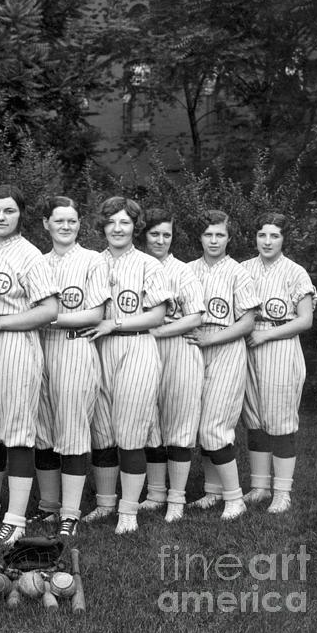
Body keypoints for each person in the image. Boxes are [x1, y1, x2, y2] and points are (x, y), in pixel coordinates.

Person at [0, 184, 59, 547]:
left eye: (9, 211)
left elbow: (49, 310)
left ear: (21, 214)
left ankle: (15, 519)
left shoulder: (30, 254)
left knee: (17, 431)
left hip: (14, 342)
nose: (1, 218)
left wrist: (1, 322)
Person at [85, 197, 169, 535]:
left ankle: (129, 510)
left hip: (135, 348)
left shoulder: (149, 264)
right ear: (102, 226)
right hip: (96, 349)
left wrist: (115, 324)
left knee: (131, 433)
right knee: (102, 432)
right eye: (111, 222)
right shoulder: (92, 262)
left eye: (125, 222)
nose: (117, 229)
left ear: (136, 226)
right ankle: (105, 503)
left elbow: (157, 315)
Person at [31, 196, 108, 538]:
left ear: (79, 225)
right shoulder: (37, 260)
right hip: (37, 348)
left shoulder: (92, 260)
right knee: (41, 430)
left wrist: (47, 317)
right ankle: (48, 506)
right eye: (58, 220)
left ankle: (71, 512)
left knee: (73, 430)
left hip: (76, 346)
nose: (65, 226)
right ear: (46, 223)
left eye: (72, 221)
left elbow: (95, 314)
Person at [240, 212, 315, 514]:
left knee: (280, 423)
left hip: (280, 346)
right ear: (255, 237)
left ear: (284, 239)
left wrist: (267, 336)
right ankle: (259, 487)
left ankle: (282, 492)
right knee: (254, 420)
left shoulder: (296, 272)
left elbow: (305, 320)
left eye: (274, 235)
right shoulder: (244, 269)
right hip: (247, 345)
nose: (267, 241)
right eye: (262, 235)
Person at [187, 210, 259, 521]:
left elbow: (247, 323)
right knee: (202, 424)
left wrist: (210, 341)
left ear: (229, 238)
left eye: (219, 234)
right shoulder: (188, 270)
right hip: (192, 350)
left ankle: (234, 498)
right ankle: (212, 491)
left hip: (226, 348)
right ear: (200, 238)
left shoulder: (238, 272)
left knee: (215, 426)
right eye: (208, 234)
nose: (213, 240)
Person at [137, 208, 204, 523]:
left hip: (178, 350)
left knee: (178, 425)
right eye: (154, 234)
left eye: (166, 234)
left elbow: (194, 316)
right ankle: (155, 493)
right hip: (142, 352)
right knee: (150, 424)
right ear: (144, 235)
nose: (160, 240)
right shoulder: (135, 267)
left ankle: (177, 499)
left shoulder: (183, 270)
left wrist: (159, 329)